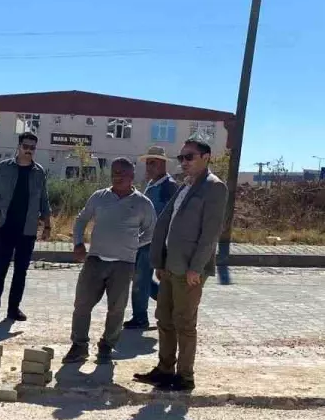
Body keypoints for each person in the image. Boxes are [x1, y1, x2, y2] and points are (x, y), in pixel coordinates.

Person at [134, 138, 228, 392]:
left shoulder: (214, 187)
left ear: (206, 158)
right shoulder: (185, 185)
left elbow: (210, 234)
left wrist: (196, 268)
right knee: (164, 319)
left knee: (184, 323)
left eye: (190, 157)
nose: (184, 162)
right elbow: (168, 223)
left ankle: (184, 376)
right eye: (182, 157)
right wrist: (159, 261)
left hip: (189, 269)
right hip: (169, 265)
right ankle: (165, 370)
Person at [62, 158, 156, 365]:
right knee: (82, 305)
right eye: (114, 172)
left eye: (122, 172)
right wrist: (78, 243)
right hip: (95, 260)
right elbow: (81, 219)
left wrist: (132, 244)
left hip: (124, 264)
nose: (117, 175)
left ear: (132, 176)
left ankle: (107, 346)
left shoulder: (142, 203)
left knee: (117, 308)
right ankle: (79, 345)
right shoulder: (99, 197)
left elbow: (150, 232)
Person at [0, 132, 51, 322]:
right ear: (19, 146)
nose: (28, 151)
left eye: (32, 148)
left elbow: (44, 199)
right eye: (25, 146)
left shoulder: (39, 172)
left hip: (27, 231)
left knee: (21, 272)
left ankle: (13, 309)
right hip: (6, 228)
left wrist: (47, 225)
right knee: (0, 270)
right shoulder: (3, 168)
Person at [125, 145, 178, 329]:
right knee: (140, 277)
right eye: (148, 163)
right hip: (143, 238)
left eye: (153, 163)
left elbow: (170, 218)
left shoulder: (169, 187)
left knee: (140, 278)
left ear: (163, 164)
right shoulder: (152, 184)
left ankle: (140, 318)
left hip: (154, 241)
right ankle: (168, 302)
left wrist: (164, 247)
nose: (149, 167)